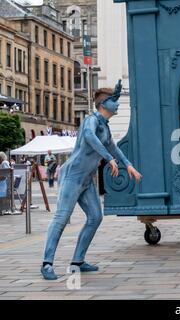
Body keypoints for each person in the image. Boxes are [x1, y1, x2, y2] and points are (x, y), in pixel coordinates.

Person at [40, 80, 143, 280]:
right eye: (115, 100)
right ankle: (47, 263)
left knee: (95, 217)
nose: (118, 104)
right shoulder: (91, 121)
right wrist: (108, 159)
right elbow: (89, 136)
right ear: (103, 104)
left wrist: (128, 165)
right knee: (61, 218)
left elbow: (114, 148)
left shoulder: (105, 127)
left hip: (87, 179)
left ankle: (78, 260)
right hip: (72, 176)